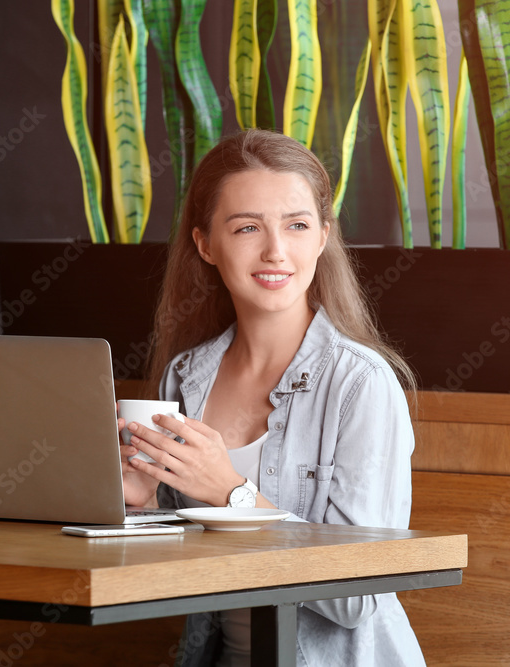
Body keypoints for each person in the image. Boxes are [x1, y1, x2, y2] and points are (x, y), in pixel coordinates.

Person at [118, 129, 423, 667]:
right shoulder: (185, 377)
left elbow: (357, 597)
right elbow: (171, 575)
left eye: (297, 225)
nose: (276, 251)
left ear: (323, 237)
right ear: (205, 244)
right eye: (247, 228)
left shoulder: (361, 385)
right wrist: (136, 507)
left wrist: (233, 494)